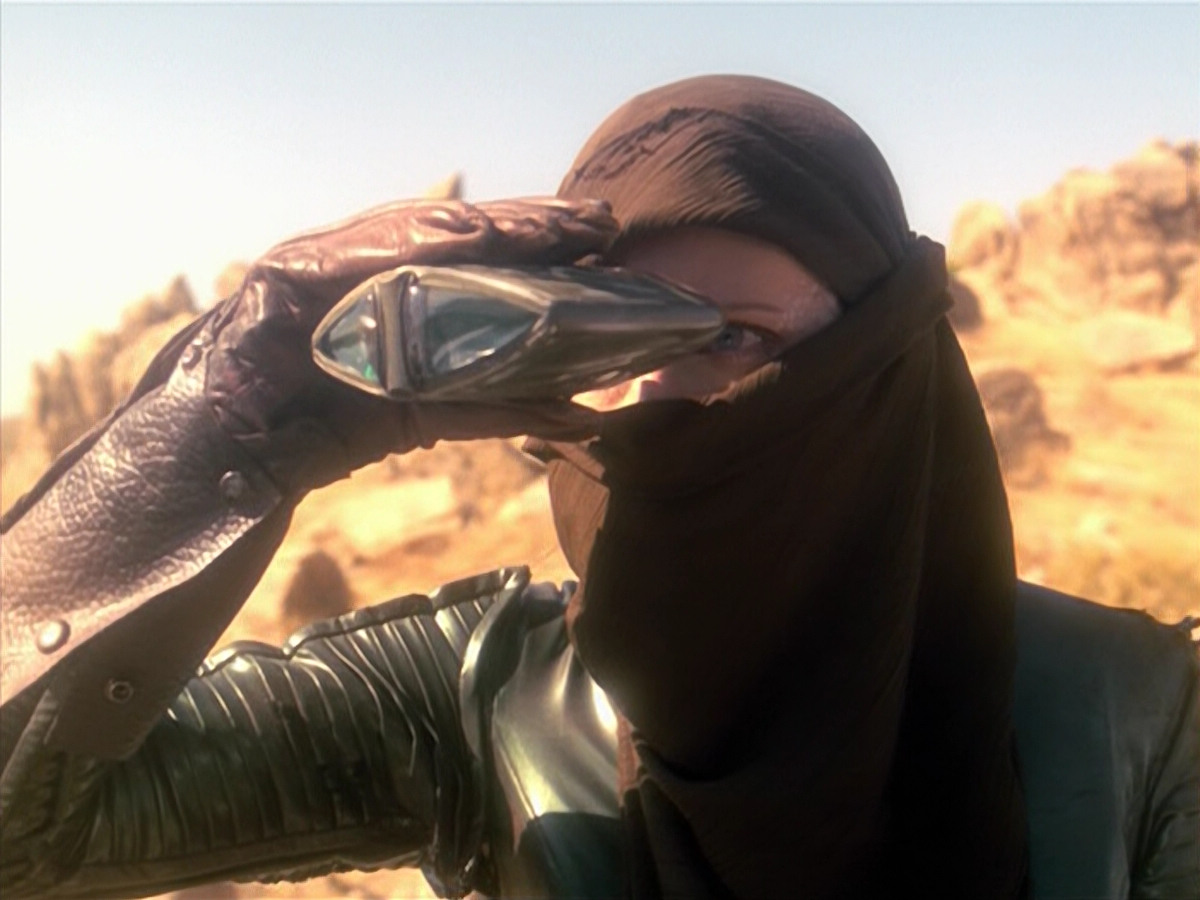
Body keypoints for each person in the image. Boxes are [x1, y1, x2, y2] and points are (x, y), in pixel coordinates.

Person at [1, 75, 1196, 900]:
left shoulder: (1144, 719)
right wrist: (231, 418)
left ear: (885, 367)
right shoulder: (475, 692)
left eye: (733, 336)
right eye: (611, 340)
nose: (656, 394)